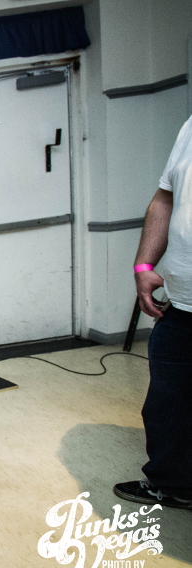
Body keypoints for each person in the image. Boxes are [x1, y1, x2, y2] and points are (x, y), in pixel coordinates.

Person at [114, 115, 192, 511]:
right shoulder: (189, 128)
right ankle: (175, 485)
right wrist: (144, 265)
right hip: (180, 303)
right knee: (167, 404)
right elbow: (165, 198)